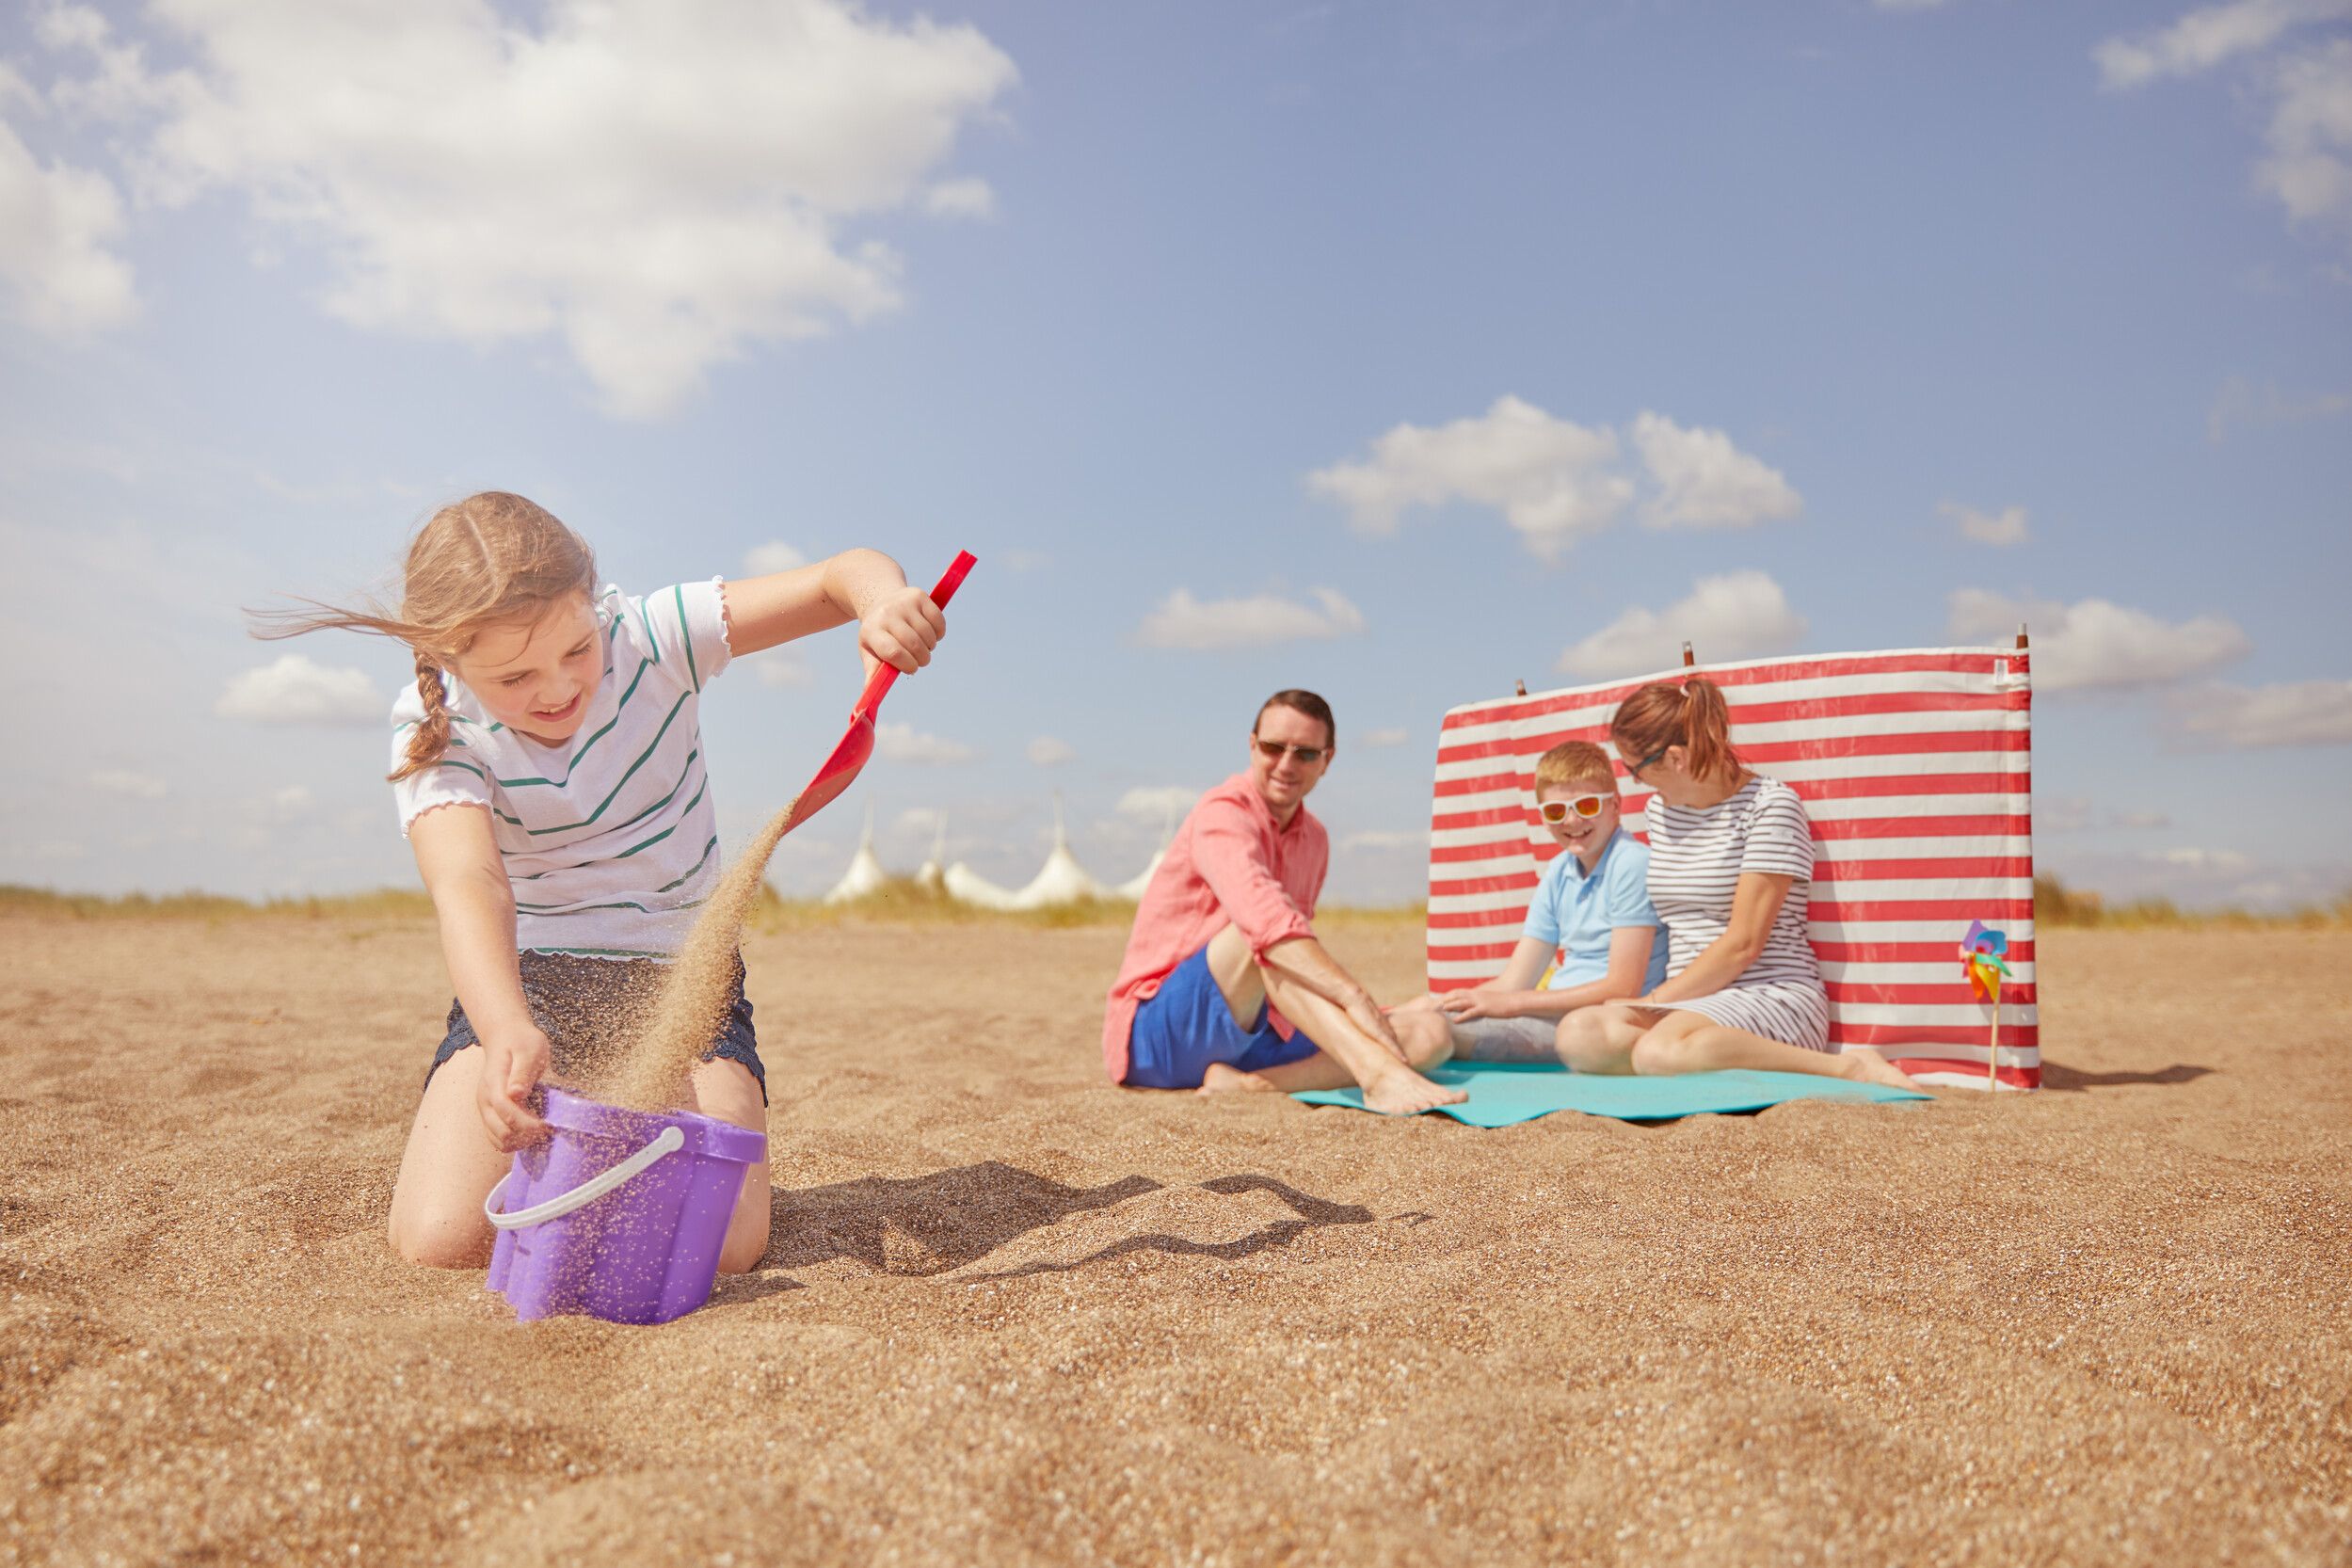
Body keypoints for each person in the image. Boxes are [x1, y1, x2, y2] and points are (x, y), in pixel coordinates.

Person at [253, 490, 946, 1271]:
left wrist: (881, 603)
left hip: (682, 982)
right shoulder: (433, 729)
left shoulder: (654, 636)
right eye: (513, 677)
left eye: (576, 650)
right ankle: (582, 1128)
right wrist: (507, 1027)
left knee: (723, 1248)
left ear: (595, 606)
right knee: (440, 1238)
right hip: (534, 981)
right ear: (448, 659)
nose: (555, 690)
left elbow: (839, 576)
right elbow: (471, 883)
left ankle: (627, 1138)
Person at [1102, 690, 1466, 1116]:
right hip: (1158, 1034)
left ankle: (1250, 1086)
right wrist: (1352, 997)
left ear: (1326, 760)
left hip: (1256, 1026)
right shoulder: (1222, 814)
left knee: (1429, 1034)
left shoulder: (1316, 839)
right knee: (1260, 935)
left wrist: (1380, 1012)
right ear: (1252, 745)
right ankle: (1377, 1075)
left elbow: (1291, 963)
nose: (1287, 764)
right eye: (1274, 748)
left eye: (1305, 754)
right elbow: (1267, 927)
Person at [1555, 677, 1915, 1090]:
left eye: (1635, 769)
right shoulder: (1660, 812)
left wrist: (1654, 1002)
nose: (1637, 783)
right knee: (1580, 1034)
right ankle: (1690, 1060)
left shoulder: (1770, 808)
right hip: (1691, 998)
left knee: (1658, 1052)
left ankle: (1847, 1068)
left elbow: (1744, 943)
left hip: (1769, 991)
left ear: (1675, 759)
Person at [1390, 740, 1666, 1062]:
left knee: (1433, 1028)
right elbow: (1515, 980)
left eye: (1587, 806)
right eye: (1555, 811)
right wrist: (1450, 1000)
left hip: (1597, 1023)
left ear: (1615, 805)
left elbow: (1623, 987)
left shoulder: (1630, 863)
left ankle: (1345, 1056)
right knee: (1427, 1008)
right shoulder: (1560, 872)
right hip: (1554, 1011)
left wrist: (1515, 1003)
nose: (1573, 821)